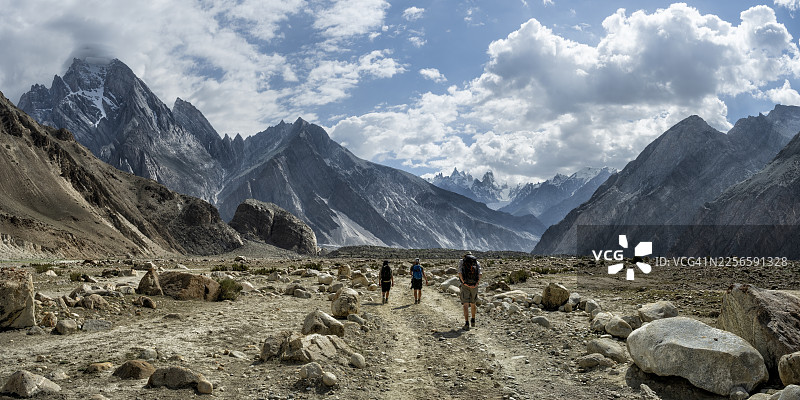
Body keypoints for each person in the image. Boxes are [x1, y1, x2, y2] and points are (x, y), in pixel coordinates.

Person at [458, 251, 481, 330]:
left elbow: (460, 273)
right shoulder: (476, 262)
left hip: (465, 285)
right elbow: (480, 274)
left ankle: (466, 323)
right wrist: (477, 283)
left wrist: (464, 282)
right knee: (473, 303)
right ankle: (473, 320)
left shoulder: (462, 261)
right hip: (474, 285)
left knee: (465, 305)